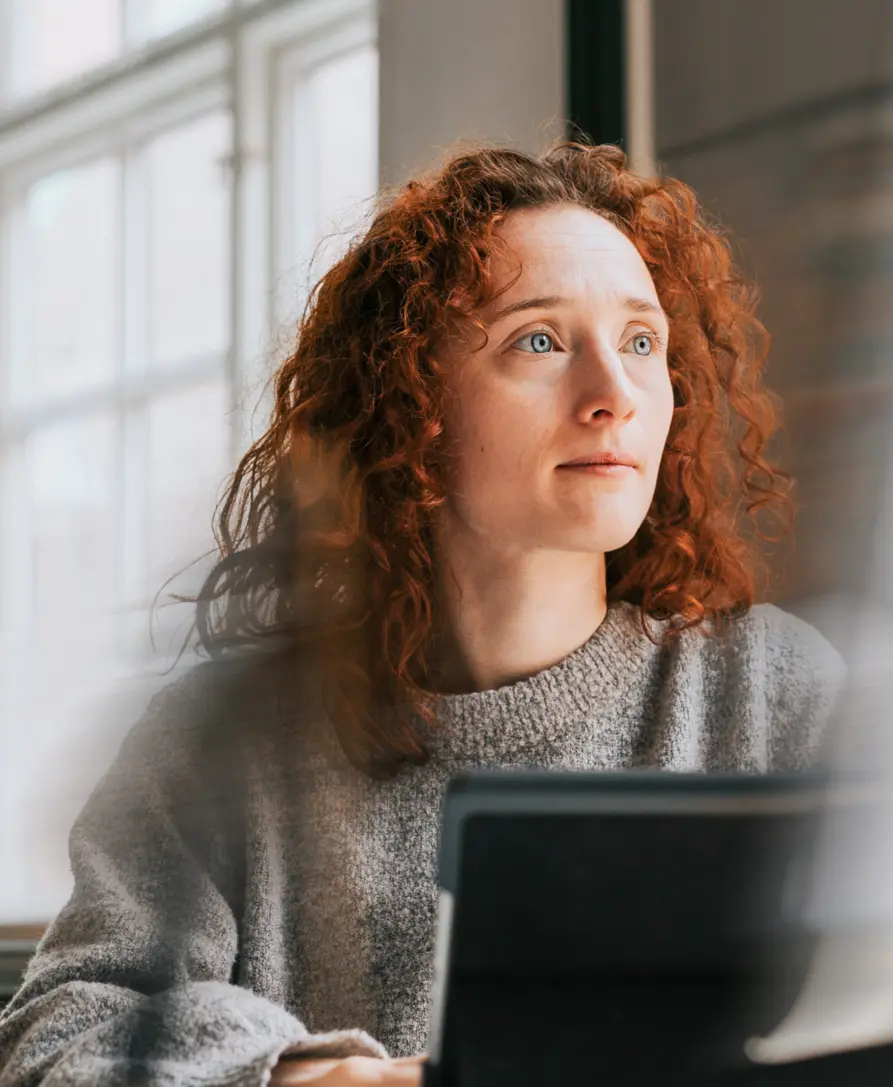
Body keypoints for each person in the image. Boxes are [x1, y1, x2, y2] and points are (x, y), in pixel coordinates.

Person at [0, 142, 846, 1087]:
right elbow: (61, 1033)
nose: (616, 396)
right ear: (409, 402)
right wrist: (310, 1078)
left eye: (642, 342)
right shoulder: (212, 742)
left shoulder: (775, 692)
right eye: (540, 340)